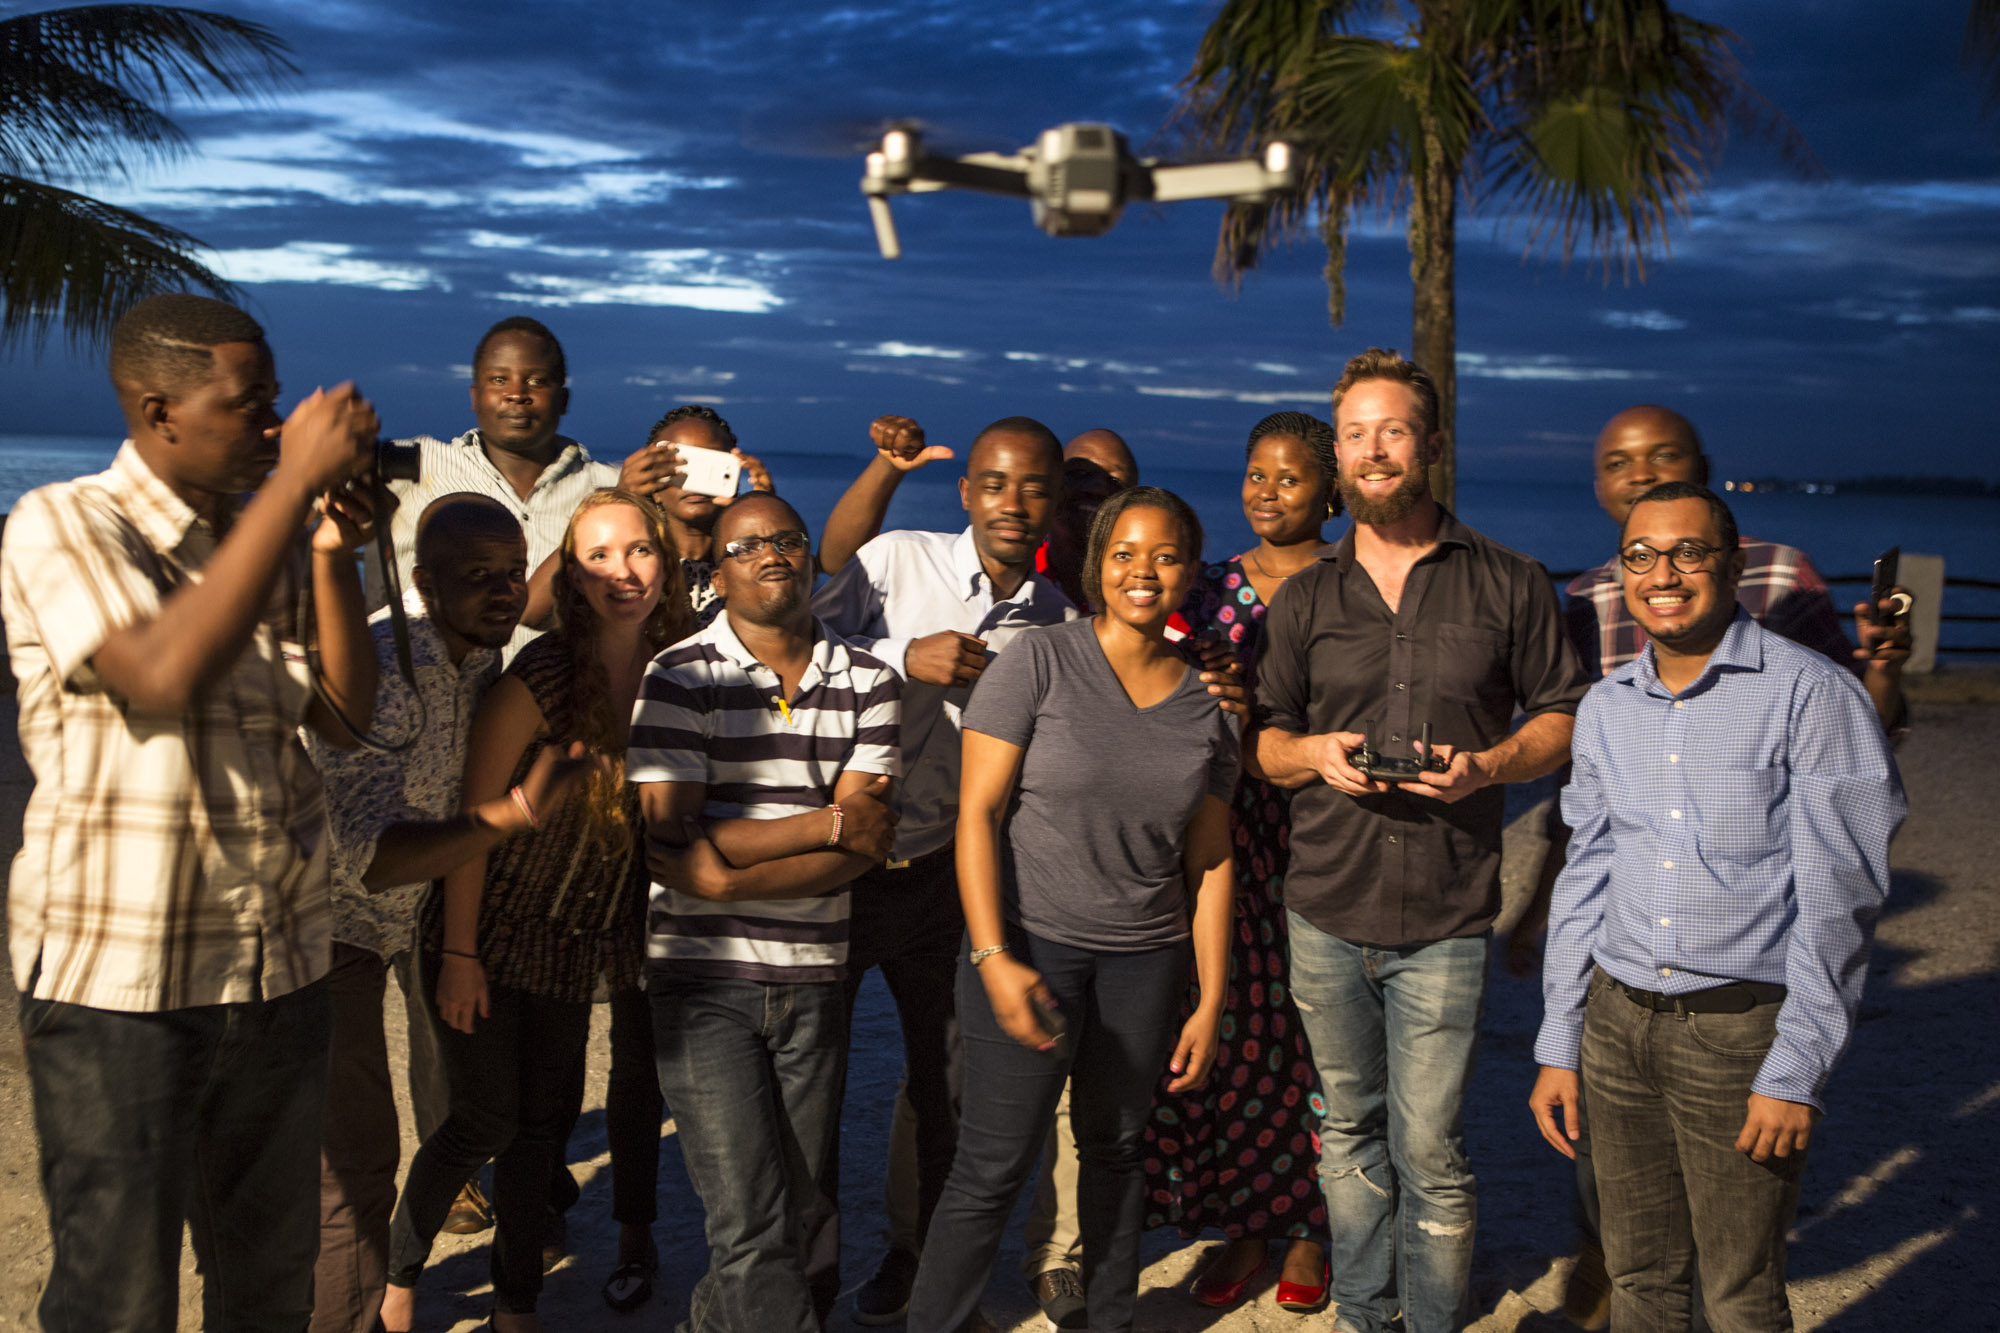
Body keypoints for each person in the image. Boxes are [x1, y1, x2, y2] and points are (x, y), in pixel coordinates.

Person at [3, 293, 380, 1329]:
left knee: (268, 1284)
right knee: (119, 1296)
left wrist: (331, 548)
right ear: (157, 409)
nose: (270, 424)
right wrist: (293, 483)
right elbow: (159, 671)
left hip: (278, 971)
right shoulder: (66, 522)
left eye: (273, 402)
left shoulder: (263, 536)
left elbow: (347, 718)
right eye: (245, 402)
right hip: (122, 983)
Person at [1520, 403, 1914, 1329]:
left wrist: (1796, 1065)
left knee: (1738, 1292)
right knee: (1638, 1274)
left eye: (1688, 552)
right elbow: (1586, 873)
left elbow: (1839, 897)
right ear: (1621, 575)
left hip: (1737, 1032)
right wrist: (1557, 1039)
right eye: (1641, 555)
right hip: (1615, 1027)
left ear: (1732, 565)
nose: (1663, 574)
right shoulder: (1609, 705)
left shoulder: (1811, 695)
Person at [1250, 348, 1589, 1333]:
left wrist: (1487, 766)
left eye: (1390, 429)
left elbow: (1563, 715)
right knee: (1346, 1131)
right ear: (1338, 458)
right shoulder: (1304, 598)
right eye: (1353, 434)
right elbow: (1261, 744)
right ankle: (1367, 1314)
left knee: (1430, 1146)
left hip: (1445, 912)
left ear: (1430, 445)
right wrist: (1312, 751)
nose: (1371, 449)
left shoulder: (1511, 582)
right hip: (1324, 908)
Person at [905, 485, 1239, 1333]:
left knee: (1119, 1151)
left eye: (1165, 555)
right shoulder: (1039, 660)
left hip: (1147, 959)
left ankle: (1113, 1319)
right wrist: (993, 954)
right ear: (1096, 565)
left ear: (1189, 572)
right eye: (1124, 552)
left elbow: (1209, 859)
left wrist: (1209, 997)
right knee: (992, 1161)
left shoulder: (1207, 709)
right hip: (1029, 946)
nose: (1143, 571)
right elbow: (976, 815)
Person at [380, 489, 692, 1333]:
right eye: (596, 556)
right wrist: (460, 953)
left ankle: (515, 1302)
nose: (621, 571)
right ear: (573, 577)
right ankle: (398, 1271)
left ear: (664, 562)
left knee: (542, 1127)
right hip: (488, 929)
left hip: (578, 944)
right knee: (482, 1115)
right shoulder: (541, 674)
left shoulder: (681, 669)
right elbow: (477, 819)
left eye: (638, 550)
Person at [811, 415, 1076, 1324]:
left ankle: (913, 1259)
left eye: (1033, 485)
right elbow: (798, 652)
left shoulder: (1059, 618)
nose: (1013, 501)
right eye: (994, 483)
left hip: (952, 877)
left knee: (942, 1083)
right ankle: (805, 1273)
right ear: (965, 491)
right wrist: (901, 659)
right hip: (846, 859)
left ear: (1055, 502)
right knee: (812, 1077)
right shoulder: (899, 560)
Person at [309, 494, 597, 1333]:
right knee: (354, 1155)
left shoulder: (479, 661)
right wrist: (513, 816)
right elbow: (372, 853)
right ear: (425, 584)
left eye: (513, 573)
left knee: (475, 1103)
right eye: (479, 577)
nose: (506, 592)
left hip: (413, 916)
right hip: (331, 928)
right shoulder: (388, 669)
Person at [632, 492, 904, 1333]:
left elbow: (865, 845)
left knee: (789, 1206)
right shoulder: (679, 673)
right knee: (749, 1221)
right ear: (718, 572)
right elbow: (669, 830)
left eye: (786, 537)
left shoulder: (873, 680)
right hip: (700, 982)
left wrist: (723, 876)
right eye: (747, 545)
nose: (772, 553)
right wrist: (820, 821)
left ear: (811, 555)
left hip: (814, 977)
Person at [1145, 412, 1337, 1312]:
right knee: (1237, 1036)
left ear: (1330, 490)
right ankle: (1249, 1222)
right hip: (1219, 835)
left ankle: (1311, 1226)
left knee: (1317, 1041)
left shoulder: (1353, 586)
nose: (1267, 491)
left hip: (1327, 833)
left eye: (1290, 477)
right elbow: (1143, 678)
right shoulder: (1207, 583)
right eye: (1256, 474)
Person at [365, 315, 678, 662]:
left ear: (562, 400)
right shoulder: (415, 465)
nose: (516, 394)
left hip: (560, 702)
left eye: (536, 381)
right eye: (499, 379)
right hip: (426, 693)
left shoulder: (610, 488)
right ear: (475, 395)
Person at [640, 402, 777, 627]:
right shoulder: (636, 564)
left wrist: (767, 514)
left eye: (711, 465)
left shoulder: (752, 560)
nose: (693, 483)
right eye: (679, 466)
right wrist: (622, 496)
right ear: (655, 486)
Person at [1043, 427, 1139, 610]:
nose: (1096, 488)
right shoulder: (1011, 577)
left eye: (1114, 482)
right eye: (1079, 473)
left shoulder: (1176, 593)